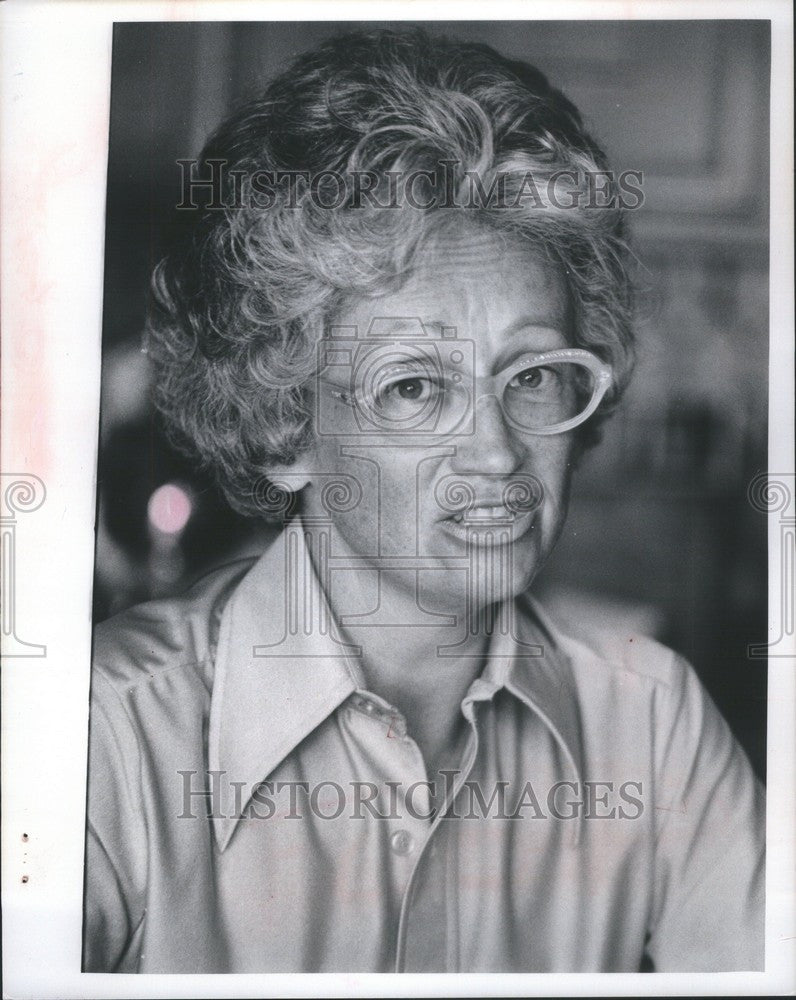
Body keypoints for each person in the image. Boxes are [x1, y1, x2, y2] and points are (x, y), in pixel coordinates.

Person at [83, 27, 764, 973]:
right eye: (413, 386)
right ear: (285, 431)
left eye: (531, 376)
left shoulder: (653, 724)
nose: (495, 451)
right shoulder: (104, 743)